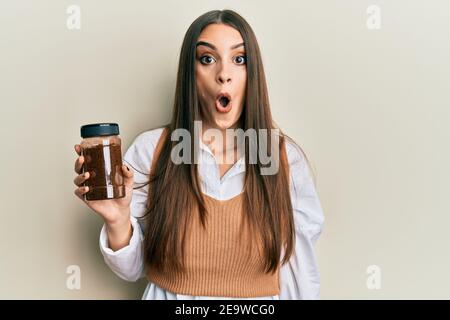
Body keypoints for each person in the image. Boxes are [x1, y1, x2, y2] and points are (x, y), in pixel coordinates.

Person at [73, 9, 325, 300]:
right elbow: (133, 269)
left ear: (252, 74)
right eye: (207, 59)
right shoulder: (151, 151)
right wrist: (117, 220)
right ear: (190, 74)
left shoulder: (285, 161)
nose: (224, 75)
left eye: (239, 59)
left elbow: (299, 277)